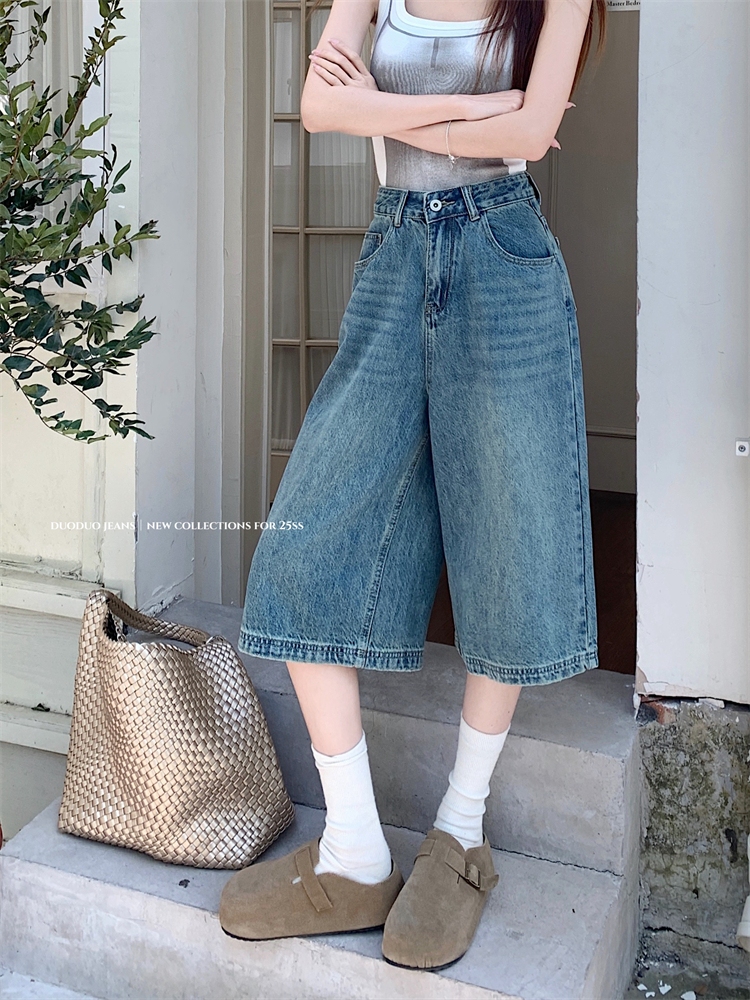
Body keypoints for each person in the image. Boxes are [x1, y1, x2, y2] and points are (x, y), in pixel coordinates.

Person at [220, 0, 606, 970]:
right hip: (394, 252)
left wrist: (382, 107)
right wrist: (479, 109)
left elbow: (530, 136)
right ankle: (354, 850)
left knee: (508, 540)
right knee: (306, 545)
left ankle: (461, 835)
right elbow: (319, 109)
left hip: (504, 257)